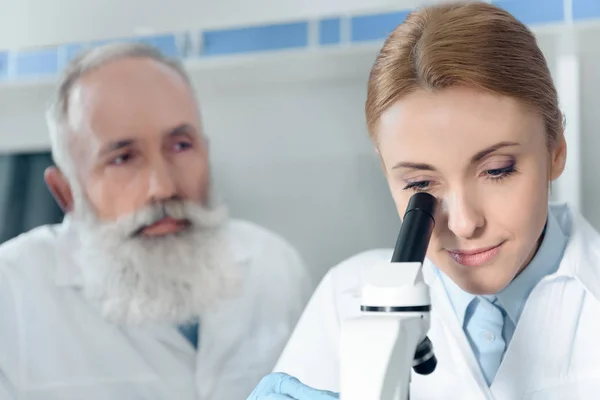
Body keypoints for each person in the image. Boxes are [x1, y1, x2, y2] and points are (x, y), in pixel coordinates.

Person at [248, 2, 600, 399]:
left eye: (498, 170)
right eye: (420, 184)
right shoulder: (346, 297)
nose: (464, 223)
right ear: (387, 173)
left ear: (555, 151)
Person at [0, 42, 312, 400]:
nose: (162, 188)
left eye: (181, 146)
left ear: (206, 153)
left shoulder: (275, 267)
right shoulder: (11, 295)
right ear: (66, 192)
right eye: (122, 158)